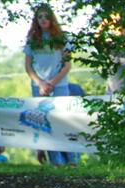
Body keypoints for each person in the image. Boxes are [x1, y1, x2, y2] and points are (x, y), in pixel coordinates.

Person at [23, 3, 77, 166]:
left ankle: (72, 160)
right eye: (40, 17)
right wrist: (40, 83)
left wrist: (52, 83)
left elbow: (67, 65)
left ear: (52, 18)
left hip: (59, 85)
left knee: (63, 121)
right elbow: (28, 65)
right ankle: (56, 162)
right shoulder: (32, 39)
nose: (43, 20)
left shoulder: (62, 38)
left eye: (46, 17)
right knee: (45, 122)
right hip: (39, 87)